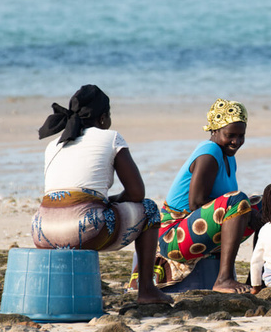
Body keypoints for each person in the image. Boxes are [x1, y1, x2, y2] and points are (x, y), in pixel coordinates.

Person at [32, 84, 172, 304]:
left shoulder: (53, 145)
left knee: (84, 211)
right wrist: (115, 199)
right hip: (84, 229)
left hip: (42, 231)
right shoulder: (111, 138)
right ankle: (146, 289)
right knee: (150, 209)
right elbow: (137, 192)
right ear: (104, 118)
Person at [155, 98, 262, 294]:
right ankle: (224, 279)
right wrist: (242, 209)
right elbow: (196, 203)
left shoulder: (229, 157)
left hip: (199, 228)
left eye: (241, 136)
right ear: (214, 131)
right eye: (230, 135)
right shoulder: (210, 152)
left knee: (266, 204)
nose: (236, 142)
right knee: (238, 200)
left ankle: (256, 278)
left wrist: (251, 212)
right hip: (174, 235)